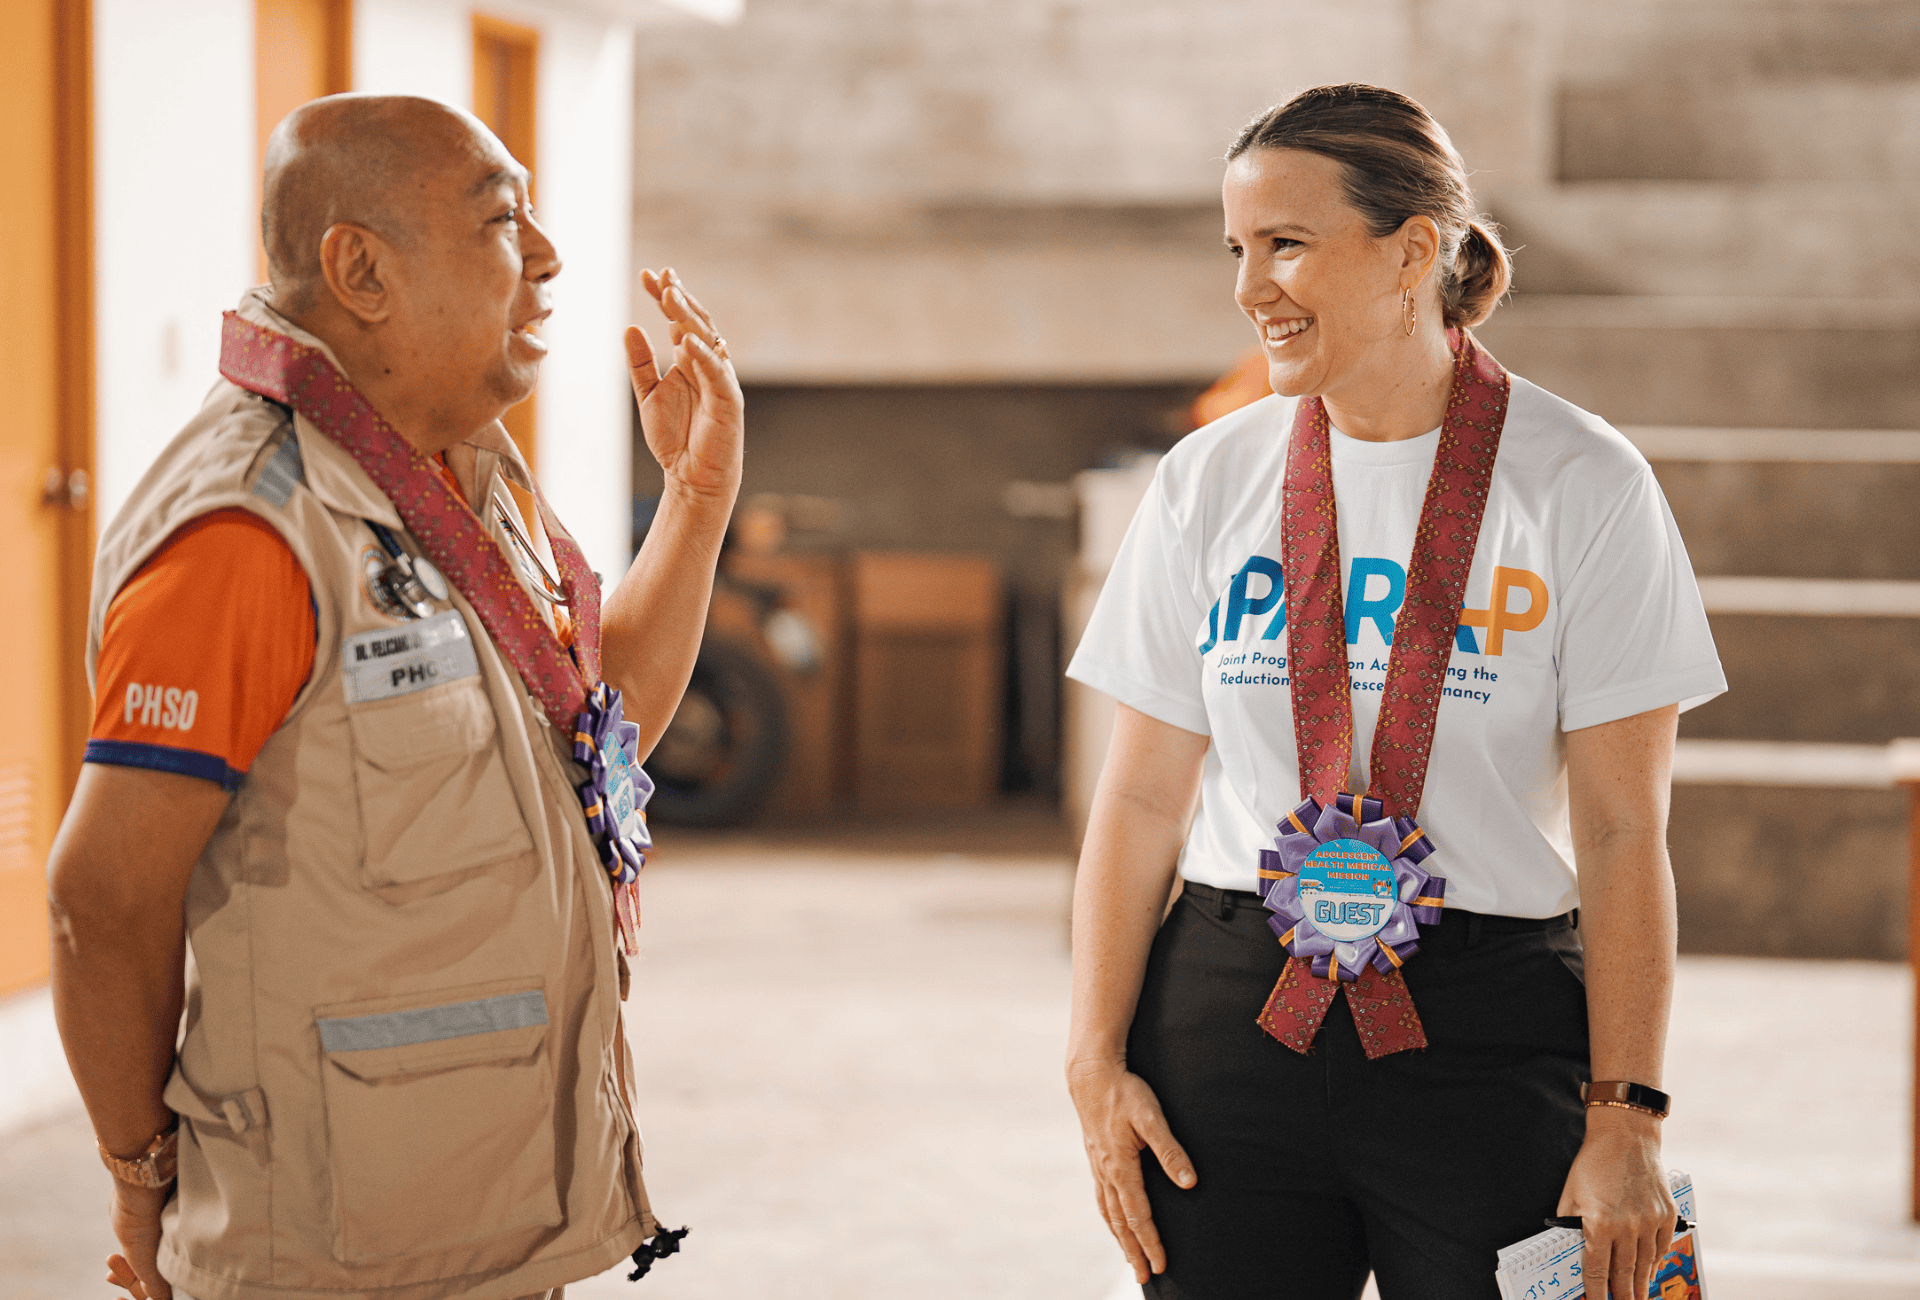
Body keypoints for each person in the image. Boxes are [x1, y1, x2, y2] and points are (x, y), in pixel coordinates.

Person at [46, 94, 744, 1300]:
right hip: (331, 1259)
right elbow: (100, 898)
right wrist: (139, 1170)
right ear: (359, 268)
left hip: (494, 1230)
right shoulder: (252, 532)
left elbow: (591, 732)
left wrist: (696, 498)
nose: (546, 255)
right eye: (500, 218)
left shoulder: (461, 472)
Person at [1064, 84, 1725, 1300]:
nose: (1250, 286)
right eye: (1238, 249)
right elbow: (1144, 795)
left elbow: (1625, 828)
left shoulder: (1584, 483)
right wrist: (1093, 1059)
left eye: (1289, 245)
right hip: (1229, 1025)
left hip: (1488, 1029)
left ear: (1413, 251)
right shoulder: (1208, 480)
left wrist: (1628, 1113)